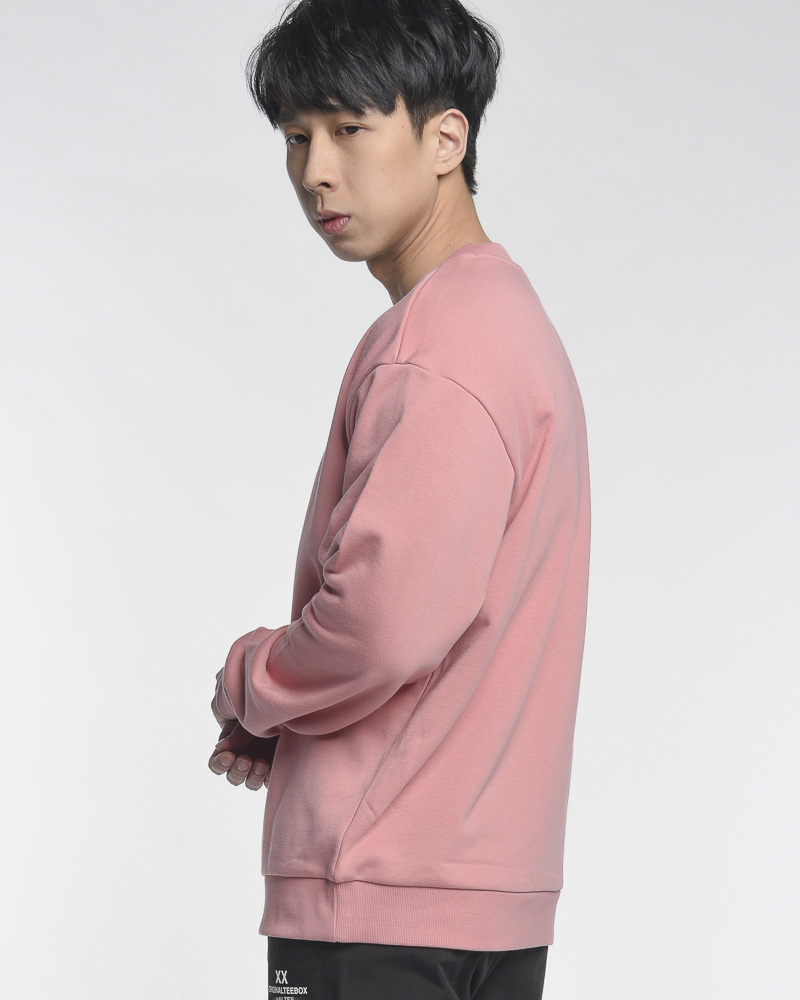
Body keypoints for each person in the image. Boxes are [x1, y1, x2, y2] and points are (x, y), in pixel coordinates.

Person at [208, 1, 591, 996]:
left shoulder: (436, 348)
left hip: (381, 894)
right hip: (478, 892)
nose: (315, 171)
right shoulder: (507, 323)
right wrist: (297, 706)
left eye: (349, 128)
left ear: (445, 139)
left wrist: (254, 680)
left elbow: (380, 628)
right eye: (296, 136)